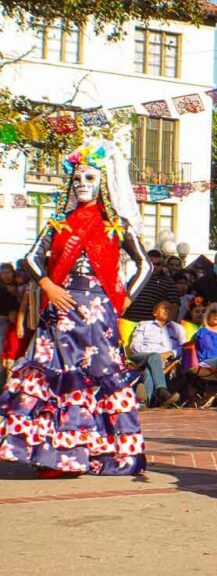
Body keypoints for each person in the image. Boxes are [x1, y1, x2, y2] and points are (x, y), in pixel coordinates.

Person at [0, 140, 151, 477]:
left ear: (103, 182)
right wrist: (49, 286)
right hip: (62, 312)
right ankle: (58, 456)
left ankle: (104, 455)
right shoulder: (60, 222)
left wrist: (126, 299)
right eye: (78, 178)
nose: (83, 184)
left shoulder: (119, 223)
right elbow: (30, 259)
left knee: (99, 379)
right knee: (59, 380)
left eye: (90, 178)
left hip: (100, 315)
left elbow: (145, 266)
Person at [129, 300, 184, 408]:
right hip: (141, 357)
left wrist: (171, 353)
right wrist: (154, 355)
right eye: (164, 308)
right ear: (155, 312)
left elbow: (183, 347)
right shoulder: (144, 325)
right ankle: (162, 390)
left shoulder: (178, 328)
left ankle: (145, 402)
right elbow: (134, 345)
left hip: (166, 360)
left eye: (169, 309)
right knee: (154, 357)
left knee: (150, 368)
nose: (167, 311)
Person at [123, 249, 180, 325]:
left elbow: (174, 306)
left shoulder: (169, 282)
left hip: (151, 327)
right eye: (151, 264)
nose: (154, 267)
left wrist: (167, 328)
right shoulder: (136, 277)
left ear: (162, 265)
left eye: (158, 264)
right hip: (128, 322)